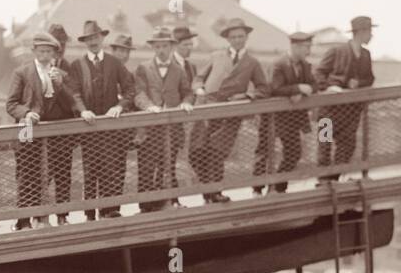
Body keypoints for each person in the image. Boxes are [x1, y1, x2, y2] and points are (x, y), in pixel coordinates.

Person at [5, 31, 78, 231]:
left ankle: (62, 216)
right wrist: (26, 113)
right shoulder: (22, 73)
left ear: (55, 54)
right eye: (41, 51)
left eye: (49, 52)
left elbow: (72, 106)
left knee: (62, 174)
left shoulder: (62, 75)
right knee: (28, 175)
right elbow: (11, 104)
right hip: (30, 133)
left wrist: (60, 86)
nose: (45, 56)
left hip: (58, 134)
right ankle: (25, 220)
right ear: (34, 52)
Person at [189, 19, 268, 202]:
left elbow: (263, 88)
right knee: (196, 151)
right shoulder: (216, 56)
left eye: (241, 36)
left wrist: (246, 96)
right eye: (234, 37)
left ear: (246, 37)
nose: (238, 40)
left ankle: (215, 192)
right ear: (228, 39)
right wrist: (199, 88)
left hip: (231, 112)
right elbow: (198, 78)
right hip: (208, 108)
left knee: (217, 151)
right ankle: (207, 192)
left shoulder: (252, 62)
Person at [69, 19, 135, 220]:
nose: (93, 41)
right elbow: (74, 93)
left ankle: (109, 210)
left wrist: (119, 106)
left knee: (112, 167)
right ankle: (90, 213)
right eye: (88, 38)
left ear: (102, 38)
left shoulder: (114, 63)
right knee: (91, 170)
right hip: (89, 127)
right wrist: (82, 110)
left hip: (111, 128)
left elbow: (130, 89)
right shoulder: (77, 65)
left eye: (95, 37)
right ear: (85, 41)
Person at [134, 27, 195, 212]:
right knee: (146, 167)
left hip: (171, 128)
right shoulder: (143, 67)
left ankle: (167, 202)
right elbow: (139, 93)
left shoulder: (179, 70)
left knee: (167, 166)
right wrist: (149, 106)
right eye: (158, 46)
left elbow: (187, 92)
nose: (161, 50)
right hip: (150, 128)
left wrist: (186, 103)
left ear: (171, 47)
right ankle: (146, 207)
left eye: (165, 46)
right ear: (153, 48)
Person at [254, 32, 315, 195]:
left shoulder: (306, 66)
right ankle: (257, 189)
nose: (308, 51)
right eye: (306, 47)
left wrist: (301, 92)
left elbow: (314, 85)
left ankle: (278, 187)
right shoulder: (279, 64)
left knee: (294, 152)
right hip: (273, 116)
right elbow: (274, 88)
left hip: (292, 118)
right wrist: (297, 89)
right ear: (295, 47)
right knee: (264, 151)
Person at [316, 16, 376, 181]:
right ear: (361, 32)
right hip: (328, 111)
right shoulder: (337, 51)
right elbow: (319, 73)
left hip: (350, 112)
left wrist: (357, 84)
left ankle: (333, 179)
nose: (371, 35)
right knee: (324, 142)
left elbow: (370, 79)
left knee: (348, 145)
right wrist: (329, 87)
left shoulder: (366, 54)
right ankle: (322, 180)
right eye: (369, 31)